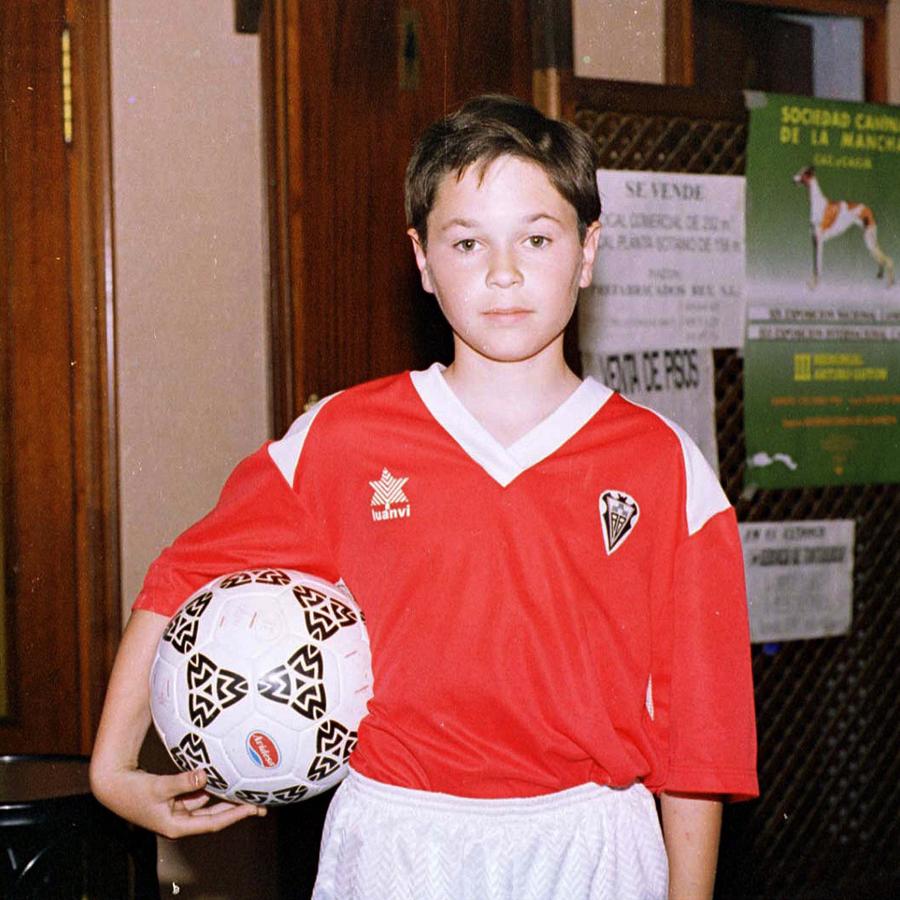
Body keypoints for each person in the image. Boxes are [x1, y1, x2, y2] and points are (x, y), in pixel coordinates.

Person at [90, 94, 758, 899]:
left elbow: (699, 738)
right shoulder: (343, 438)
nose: (503, 272)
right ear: (422, 258)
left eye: (537, 239)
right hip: (397, 841)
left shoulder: (664, 466)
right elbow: (181, 575)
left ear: (588, 251)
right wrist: (110, 767)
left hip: (592, 844)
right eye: (467, 242)